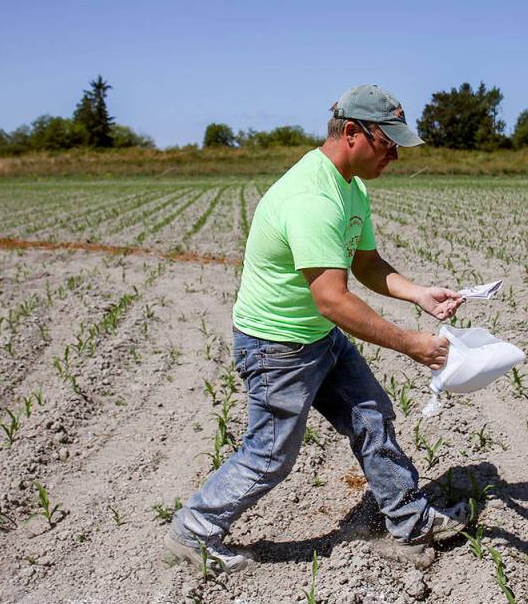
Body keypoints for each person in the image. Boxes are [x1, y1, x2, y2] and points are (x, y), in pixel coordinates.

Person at [164, 84, 469, 573]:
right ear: (351, 133)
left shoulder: (351, 186)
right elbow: (332, 300)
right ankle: (194, 530)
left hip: (317, 335)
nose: (394, 155)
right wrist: (409, 342)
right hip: (277, 346)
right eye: (387, 143)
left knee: (371, 416)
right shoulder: (312, 198)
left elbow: (366, 263)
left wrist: (418, 293)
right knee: (270, 455)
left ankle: (410, 522)